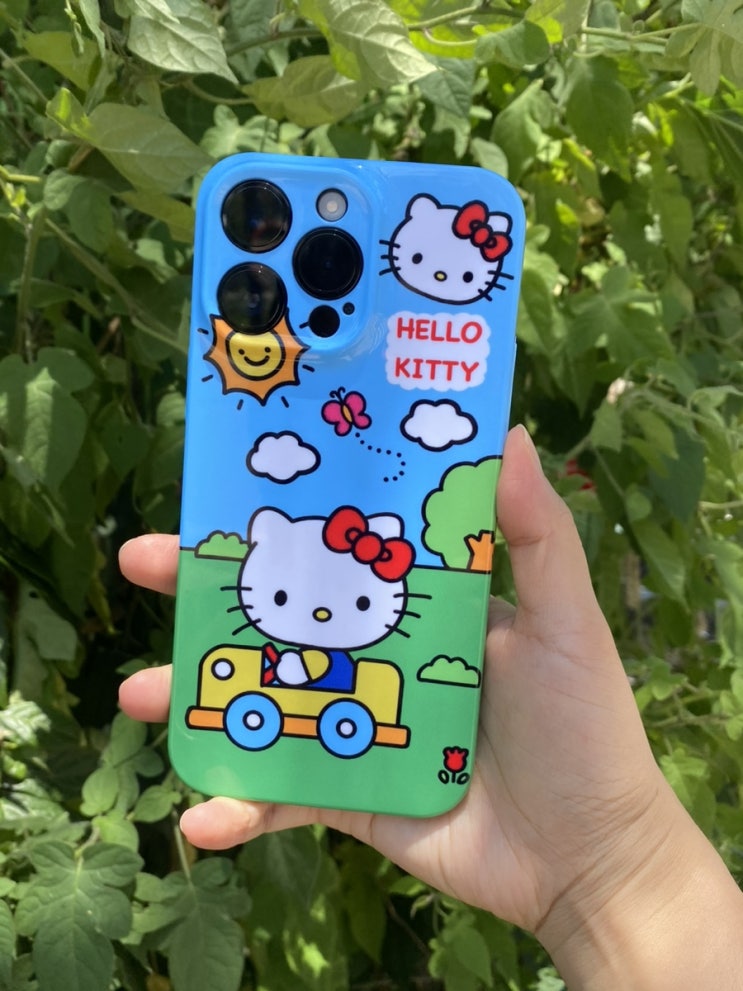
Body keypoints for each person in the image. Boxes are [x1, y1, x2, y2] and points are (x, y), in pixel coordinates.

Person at [118, 425, 743, 988]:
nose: (324, 613)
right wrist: (607, 878)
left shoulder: (345, 675)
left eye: (358, 603)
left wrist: (606, 867)